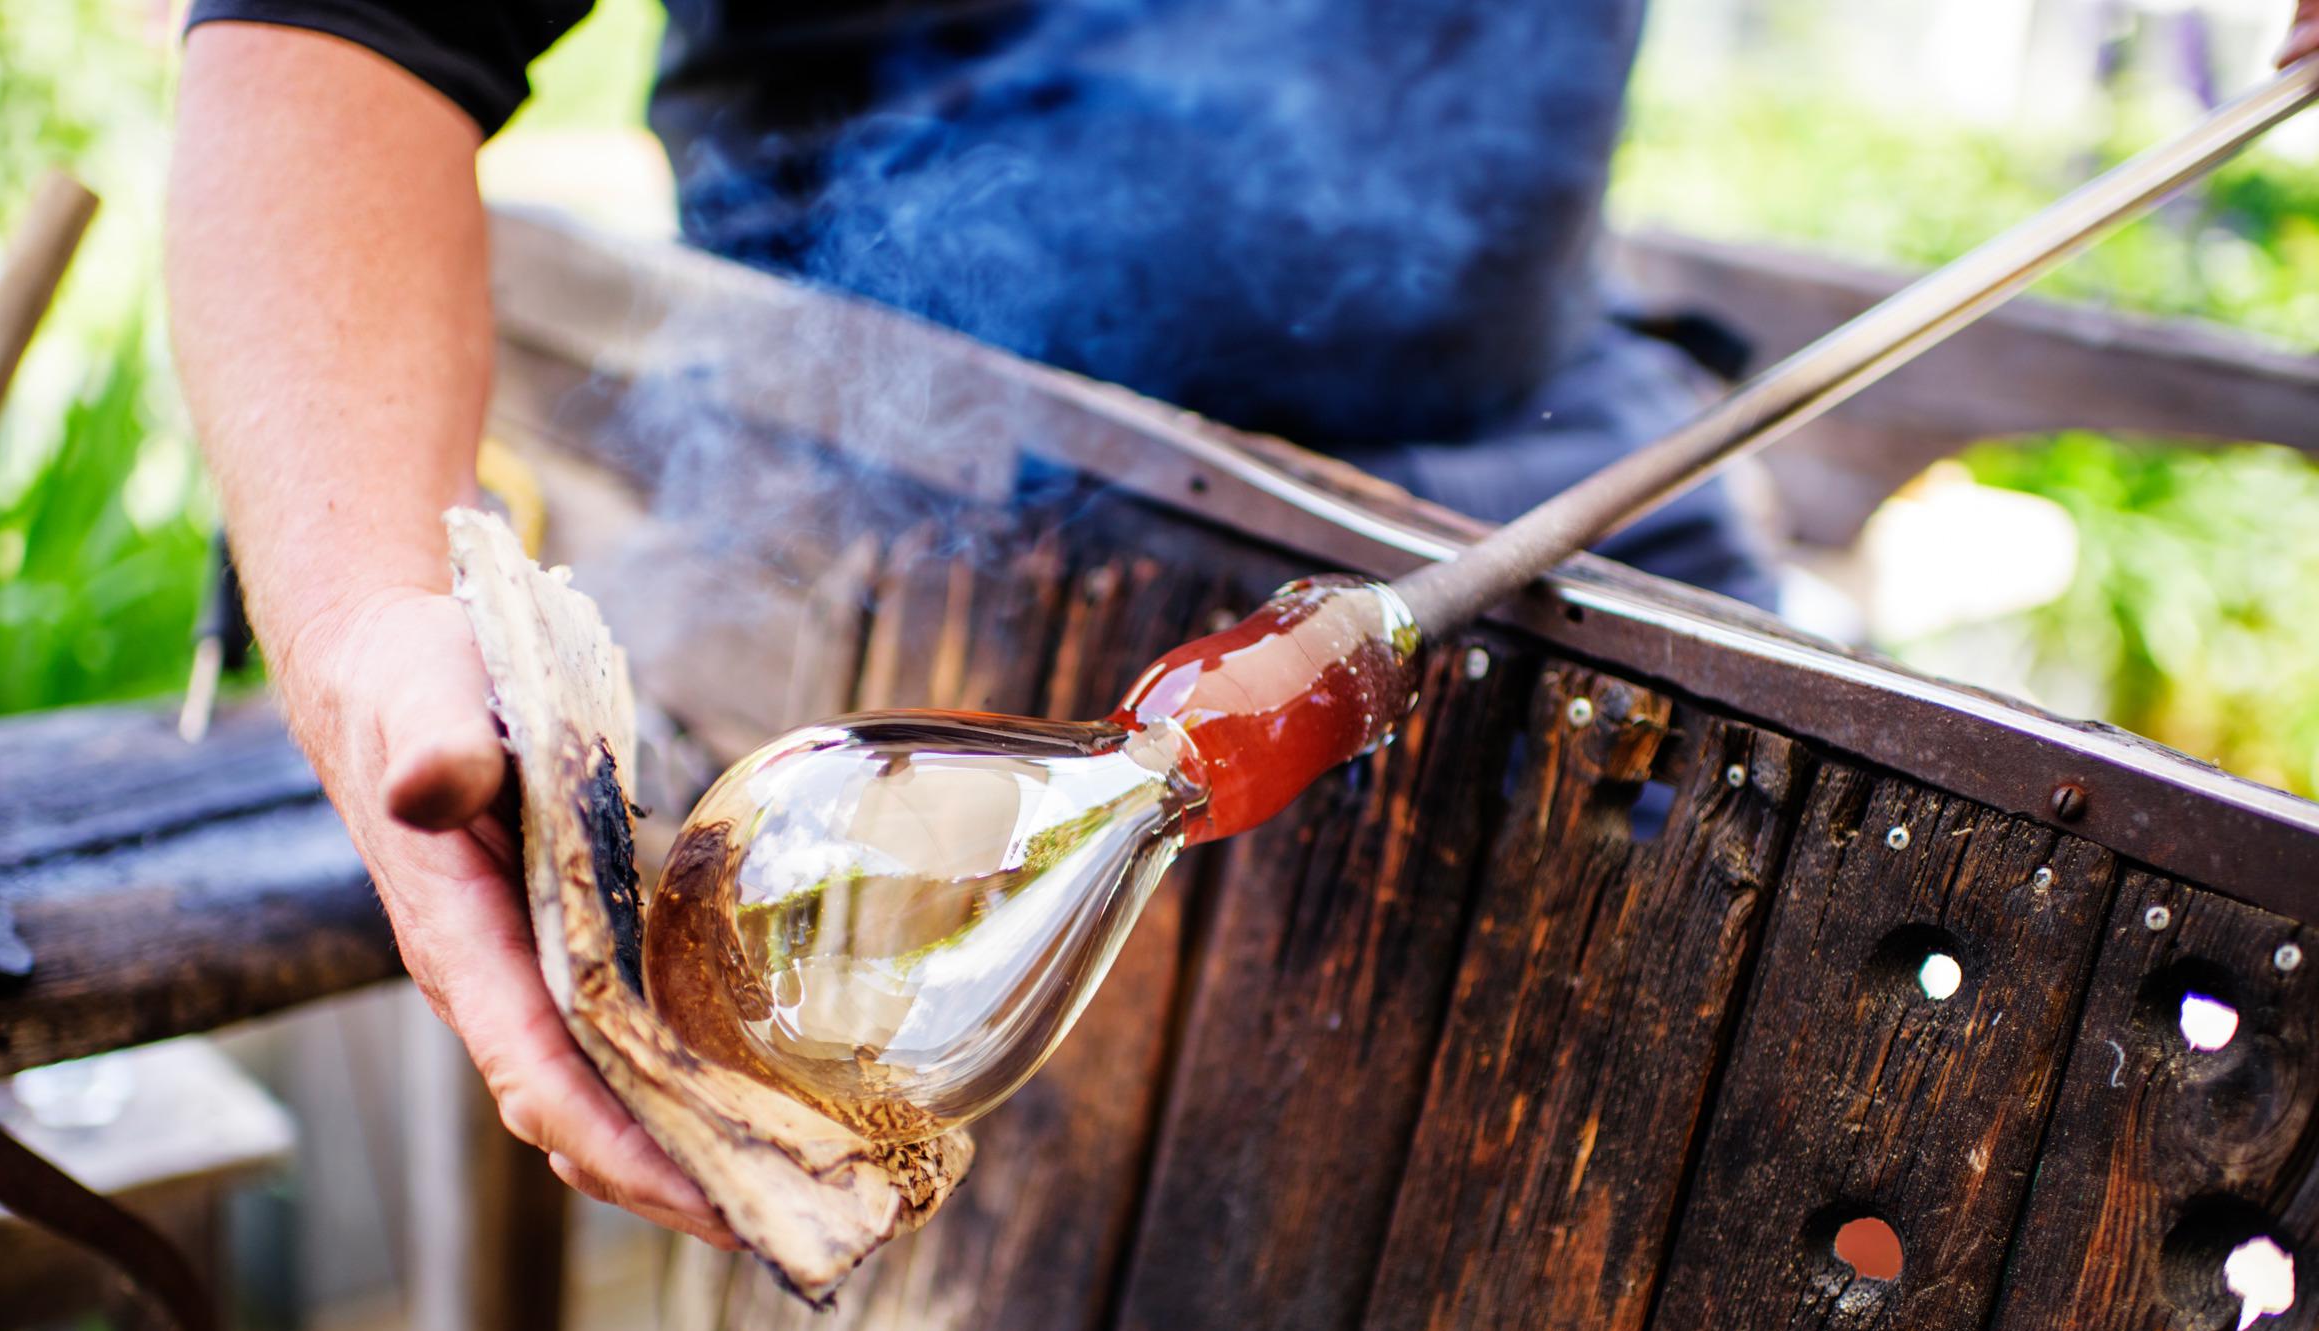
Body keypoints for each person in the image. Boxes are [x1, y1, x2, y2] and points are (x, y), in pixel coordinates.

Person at [167, 2, 2319, 1248]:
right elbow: (338, 37)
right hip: (908, 502)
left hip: (1531, 453)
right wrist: (364, 620)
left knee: (1793, 1188)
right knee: (1033, 1294)